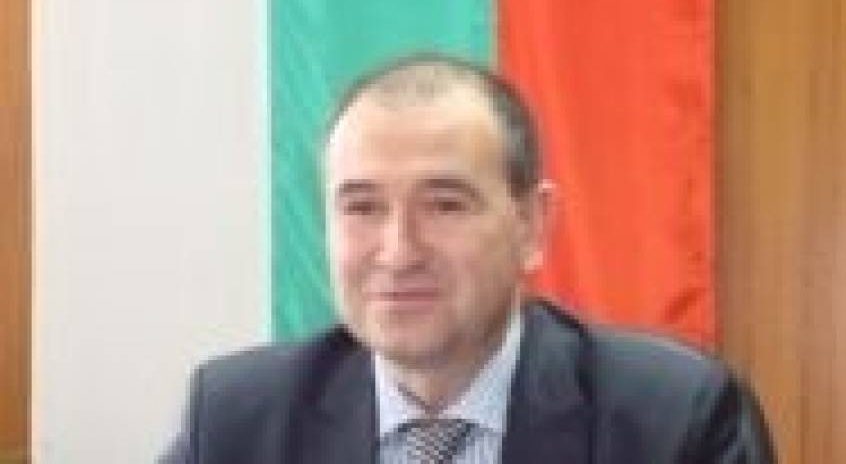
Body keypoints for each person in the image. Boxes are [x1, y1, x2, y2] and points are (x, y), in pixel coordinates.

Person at [159, 54, 774, 464]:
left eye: (445, 206)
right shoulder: (237, 419)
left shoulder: (672, 419)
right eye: (362, 207)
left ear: (531, 226)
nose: (398, 251)